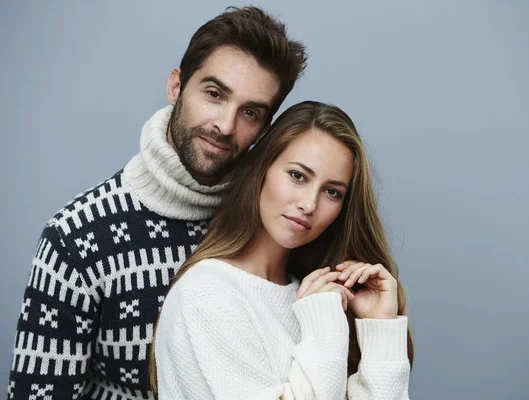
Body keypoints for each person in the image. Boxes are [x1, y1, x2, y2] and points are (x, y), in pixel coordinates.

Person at [7, 7, 307, 400]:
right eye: (214, 94)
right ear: (176, 86)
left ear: (265, 129)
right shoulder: (76, 237)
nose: (226, 125)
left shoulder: (275, 225)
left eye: (250, 112)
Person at [151, 101, 414, 399]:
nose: (309, 204)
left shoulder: (317, 297)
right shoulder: (205, 295)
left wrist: (379, 328)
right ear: (263, 168)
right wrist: (323, 325)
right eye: (298, 176)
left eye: (332, 192)